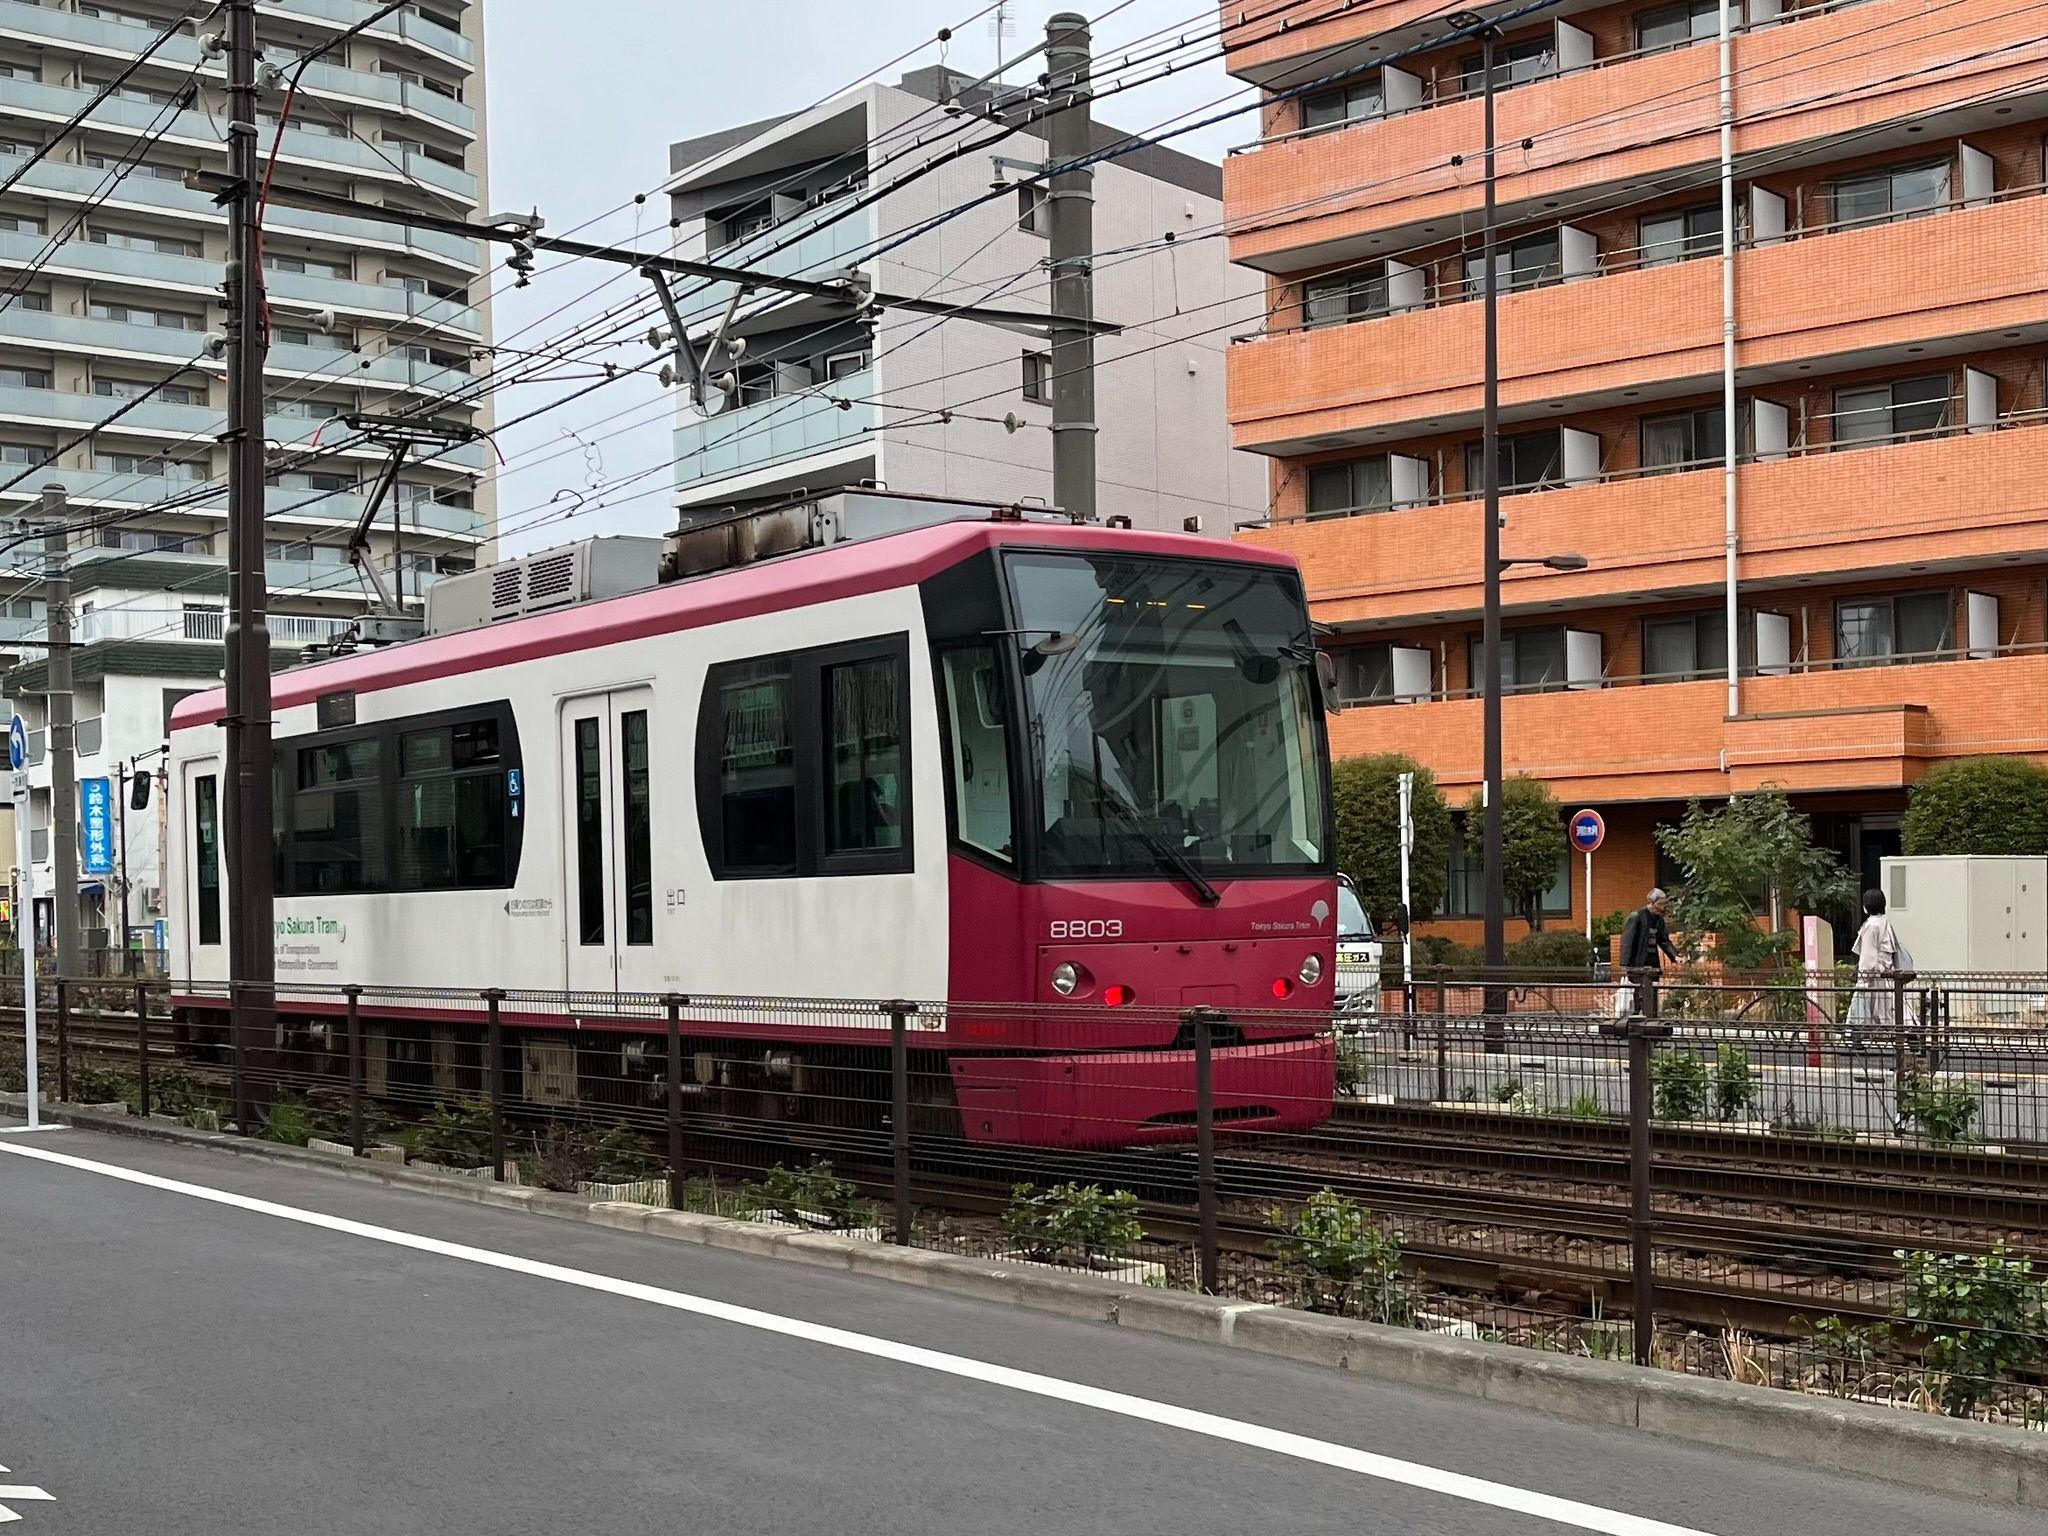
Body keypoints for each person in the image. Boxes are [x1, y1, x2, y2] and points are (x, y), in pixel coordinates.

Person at [1847, 888, 1907, 1046]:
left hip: (1872, 976)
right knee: (1894, 1008)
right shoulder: (1885, 922)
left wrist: (1862, 976)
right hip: (1885, 974)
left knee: (1861, 1008)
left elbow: (1868, 955)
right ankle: (1911, 1038)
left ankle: (1856, 1040)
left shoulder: (1871, 926)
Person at [1620, 888, 1680, 1018]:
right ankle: (1638, 1015)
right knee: (1639, 989)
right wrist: (1625, 963)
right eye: (1660, 904)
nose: (1663, 907)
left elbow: (1664, 940)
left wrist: (1675, 955)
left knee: (1651, 989)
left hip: (1652, 960)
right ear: (1653, 903)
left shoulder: (1659, 920)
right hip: (1637, 961)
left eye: (1664, 904)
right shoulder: (1637, 916)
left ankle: (1651, 1015)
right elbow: (1627, 940)